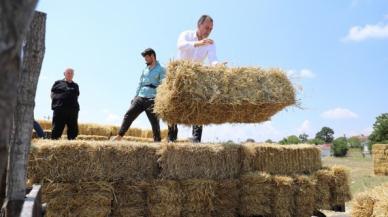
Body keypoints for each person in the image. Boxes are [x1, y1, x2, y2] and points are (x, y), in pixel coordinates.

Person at [168, 14, 224, 143]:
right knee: (173, 104)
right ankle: (172, 137)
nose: (208, 31)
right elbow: (180, 45)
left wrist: (218, 65)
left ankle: (196, 138)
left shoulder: (210, 43)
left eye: (211, 29)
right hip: (179, 74)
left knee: (199, 104)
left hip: (196, 76)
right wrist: (198, 43)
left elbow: (213, 60)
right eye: (206, 28)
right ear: (199, 25)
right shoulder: (186, 35)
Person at [111, 48, 165, 141]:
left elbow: (163, 85)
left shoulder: (162, 69)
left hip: (152, 98)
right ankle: (119, 136)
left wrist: (159, 99)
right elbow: (140, 84)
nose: (145, 59)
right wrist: (135, 96)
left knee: (154, 122)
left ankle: (157, 142)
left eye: (146, 57)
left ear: (152, 56)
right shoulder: (145, 70)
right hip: (140, 97)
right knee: (128, 115)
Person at [50, 68, 80, 140]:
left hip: (73, 110)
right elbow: (52, 94)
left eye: (71, 73)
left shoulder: (75, 85)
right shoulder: (58, 83)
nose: (70, 74)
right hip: (60, 109)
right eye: (68, 73)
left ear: (73, 75)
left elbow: (77, 96)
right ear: (64, 74)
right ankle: (54, 143)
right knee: (57, 128)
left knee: (73, 130)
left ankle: (72, 144)